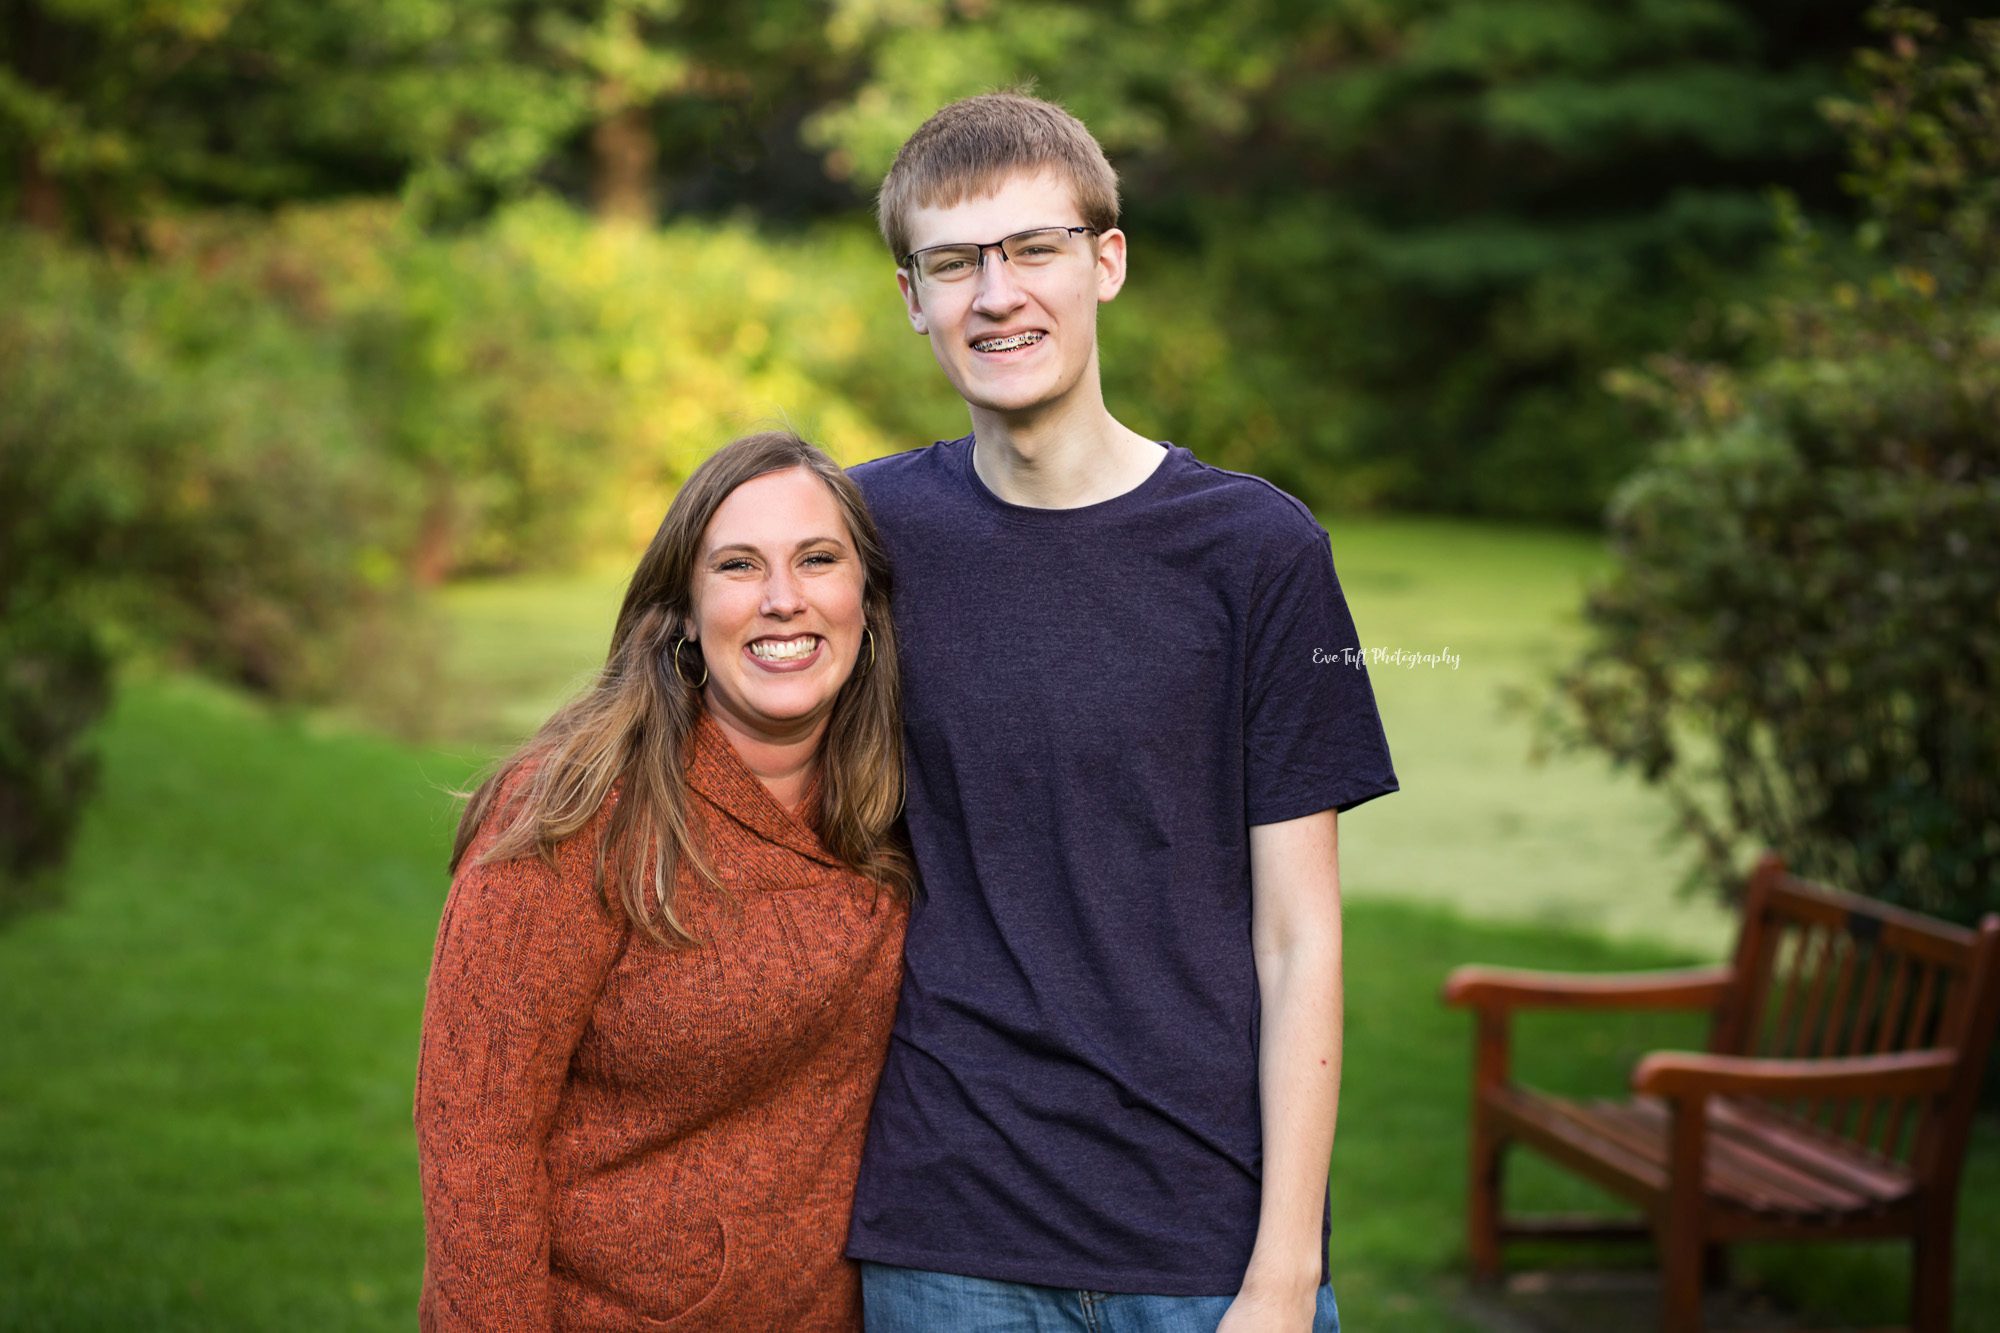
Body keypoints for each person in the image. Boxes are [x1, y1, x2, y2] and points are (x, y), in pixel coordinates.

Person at [845, 94, 1399, 1332]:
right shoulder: (865, 535)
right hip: (950, 1232)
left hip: (1204, 1235)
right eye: (953, 262)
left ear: (1106, 261)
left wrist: (1281, 1273)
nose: (996, 295)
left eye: (1032, 249)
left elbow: (1298, 939)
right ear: (912, 297)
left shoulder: (1256, 550)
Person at [414, 431, 911, 1332]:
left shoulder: (896, 802)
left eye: (817, 559)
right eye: (737, 565)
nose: (783, 599)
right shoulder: (576, 809)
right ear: (683, 608)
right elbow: (476, 1139)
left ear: (867, 602)